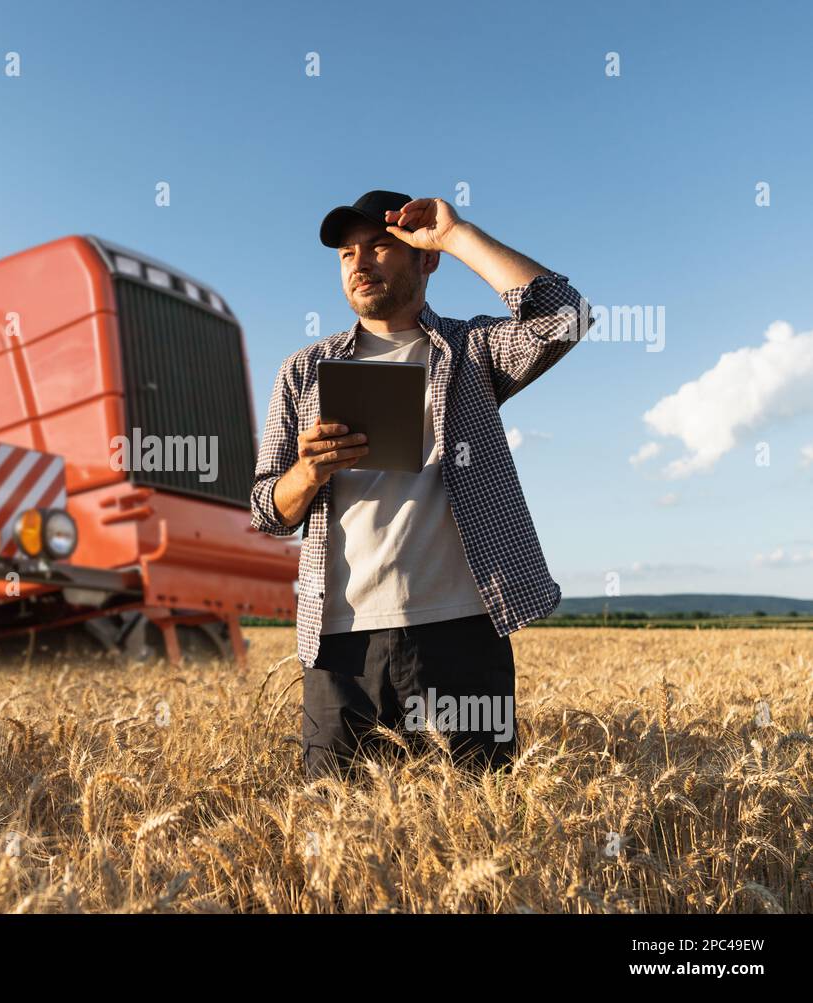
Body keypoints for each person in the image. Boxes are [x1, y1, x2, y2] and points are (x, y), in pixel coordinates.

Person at [249, 190, 587, 778]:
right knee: (338, 834)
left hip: (462, 629)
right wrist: (308, 472)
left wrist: (456, 236)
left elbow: (566, 316)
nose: (359, 263)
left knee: (478, 826)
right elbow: (264, 510)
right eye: (347, 254)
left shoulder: (473, 351)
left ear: (423, 259)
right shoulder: (302, 370)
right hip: (339, 641)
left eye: (381, 247)